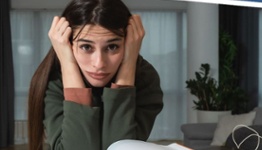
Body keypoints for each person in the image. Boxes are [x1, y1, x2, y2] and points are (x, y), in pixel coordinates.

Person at [27, 0, 163, 149]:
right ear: (67, 44)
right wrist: (68, 63)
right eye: (86, 47)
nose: (99, 63)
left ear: (128, 43)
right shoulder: (52, 80)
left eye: (112, 47)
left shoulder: (144, 78)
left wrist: (129, 63)